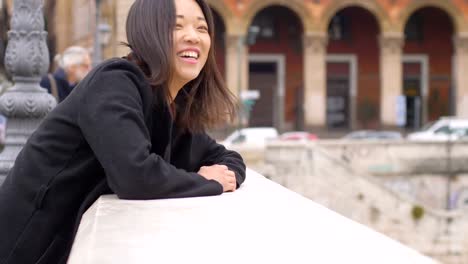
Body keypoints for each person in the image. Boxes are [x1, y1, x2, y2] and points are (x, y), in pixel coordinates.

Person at [0, 0, 246, 263]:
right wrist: (208, 182)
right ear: (148, 33)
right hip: (24, 247)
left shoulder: (168, 106)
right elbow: (135, 176)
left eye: (202, 28)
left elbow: (227, 159)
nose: (192, 37)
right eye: (177, 26)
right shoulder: (115, 82)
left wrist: (217, 177)